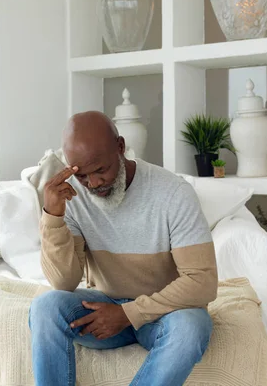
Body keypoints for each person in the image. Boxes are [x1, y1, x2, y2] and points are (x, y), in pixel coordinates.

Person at [28, 111, 218, 386]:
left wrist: (128, 314)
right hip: (103, 309)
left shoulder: (173, 193)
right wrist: (53, 216)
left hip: (165, 313)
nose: (93, 184)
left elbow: (203, 282)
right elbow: (63, 281)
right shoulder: (73, 196)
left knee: (192, 328)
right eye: (82, 176)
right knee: (45, 306)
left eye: (101, 170)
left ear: (120, 147)